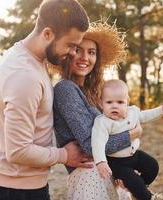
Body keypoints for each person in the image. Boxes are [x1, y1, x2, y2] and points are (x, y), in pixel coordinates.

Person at [0, 1, 91, 199]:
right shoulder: (24, 75)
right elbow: (17, 151)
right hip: (17, 187)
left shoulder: (31, 58)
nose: (74, 53)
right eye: (71, 45)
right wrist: (64, 155)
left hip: (21, 181)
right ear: (48, 34)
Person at [53, 21, 143, 200]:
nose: (85, 57)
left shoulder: (93, 93)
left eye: (91, 52)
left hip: (103, 172)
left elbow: (111, 130)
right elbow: (90, 145)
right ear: (68, 53)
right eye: (78, 49)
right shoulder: (65, 89)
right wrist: (132, 134)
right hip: (88, 177)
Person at [92, 79, 163, 200]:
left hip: (134, 155)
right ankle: (149, 197)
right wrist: (100, 162)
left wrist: (160, 110)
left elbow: (145, 116)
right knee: (133, 179)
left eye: (120, 102)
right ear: (101, 103)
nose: (115, 106)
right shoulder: (102, 122)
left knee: (152, 166)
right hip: (117, 163)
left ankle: (137, 189)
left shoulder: (132, 112)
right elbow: (97, 143)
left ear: (127, 102)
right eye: (109, 102)